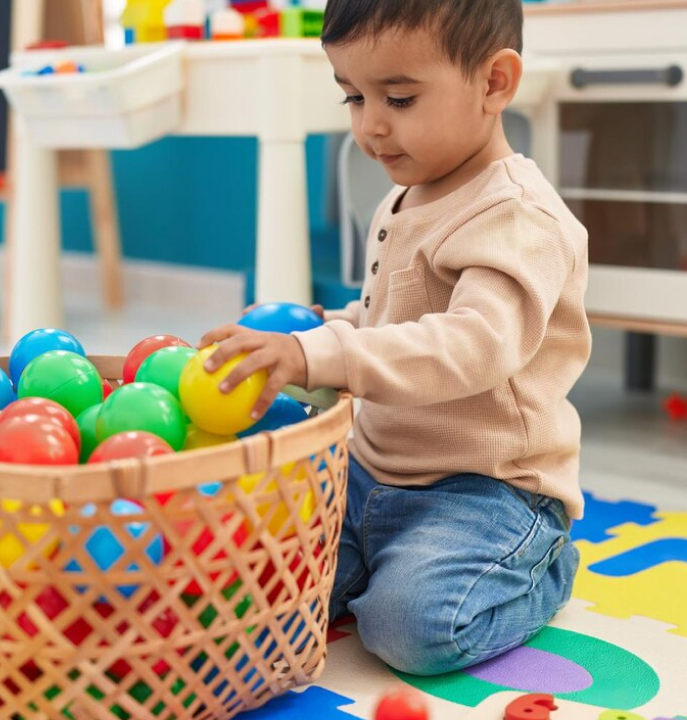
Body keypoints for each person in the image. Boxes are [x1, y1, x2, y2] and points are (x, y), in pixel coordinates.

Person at [199, 0, 590, 675]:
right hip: (370, 473)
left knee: (410, 628)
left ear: (494, 82)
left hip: (486, 491)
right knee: (261, 585)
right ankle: (383, 563)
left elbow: (471, 345)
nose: (371, 125)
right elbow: (397, 320)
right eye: (353, 96)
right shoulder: (408, 191)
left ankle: (540, 568)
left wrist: (322, 354)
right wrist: (325, 328)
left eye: (400, 98)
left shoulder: (518, 217)